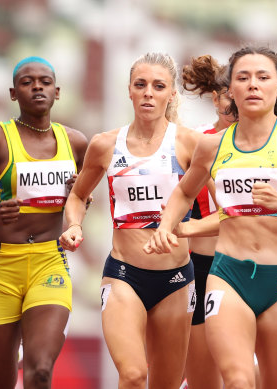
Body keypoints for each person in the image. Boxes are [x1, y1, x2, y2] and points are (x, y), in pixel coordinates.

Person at [144, 46, 277, 389]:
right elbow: (185, 192)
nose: (252, 85)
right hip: (228, 275)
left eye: (263, 78)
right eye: (243, 78)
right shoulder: (212, 146)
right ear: (229, 90)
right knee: (237, 381)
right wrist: (165, 225)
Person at [59, 52, 201, 389]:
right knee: (134, 375)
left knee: (165, 383)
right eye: (141, 85)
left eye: (158, 86)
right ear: (129, 91)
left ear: (171, 94)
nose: (149, 92)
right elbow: (78, 195)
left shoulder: (189, 143)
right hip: (124, 275)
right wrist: (75, 225)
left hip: (177, 281)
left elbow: (226, 211)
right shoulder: (106, 144)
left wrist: (185, 229)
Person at [0, 56, 88, 389]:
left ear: (57, 92)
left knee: (40, 371)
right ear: (13, 93)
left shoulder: (77, 143)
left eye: (45, 81)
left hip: (49, 262)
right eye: (27, 82)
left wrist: (78, 201)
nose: (37, 86)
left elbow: (81, 203)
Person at [180, 54, 234, 389]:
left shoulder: (272, 143)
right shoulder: (196, 142)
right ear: (215, 99)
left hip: (247, 264)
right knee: (203, 379)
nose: (235, 101)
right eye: (227, 93)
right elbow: (177, 201)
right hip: (200, 267)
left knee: (246, 373)